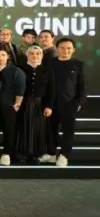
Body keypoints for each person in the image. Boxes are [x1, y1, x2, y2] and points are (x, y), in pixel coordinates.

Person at [47, 38, 87, 167]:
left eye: (69, 48)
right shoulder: (49, 63)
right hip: (51, 104)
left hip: (70, 103)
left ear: (73, 50)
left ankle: (64, 155)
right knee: (51, 130)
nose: (65, 50)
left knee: (68, 131)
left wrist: (79, 102)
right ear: (57, 49)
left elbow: (82, 86)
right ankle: (52, 153)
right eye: (62, 48)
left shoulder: (78, 65)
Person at [17, 46, 54, 164]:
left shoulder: (47, 70)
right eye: (32, 53)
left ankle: (36, 154)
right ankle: (22, 153)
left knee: (38, 128)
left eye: (38, 54)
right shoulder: (20, 68)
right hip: (23, 103)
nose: (35, 56)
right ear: (27, 55)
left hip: (40, 104)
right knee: (23, 127)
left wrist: (49, 106)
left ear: (41, 55)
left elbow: (51, 90)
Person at [0, 45, 25, 166]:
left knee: (9, 131)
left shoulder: (16, 71)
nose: (0, 57)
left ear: (8, 56)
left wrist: (17, 105)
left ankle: (7, 153)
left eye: (3, 55)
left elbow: (20, 89)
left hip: (9, 106)